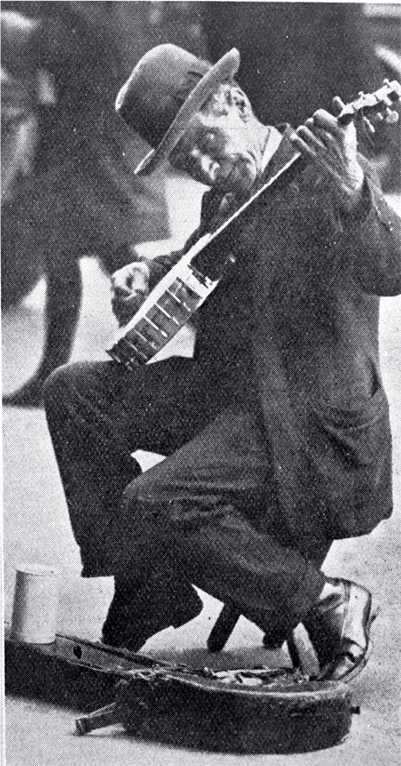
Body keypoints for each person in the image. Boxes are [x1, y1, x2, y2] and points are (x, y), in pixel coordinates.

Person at [44, 44, 401, 682]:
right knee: (74, 393)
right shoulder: (226, 196)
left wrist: (353, 189)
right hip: (237, 402)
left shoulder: (322, 169)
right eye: (187, 162)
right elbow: (206, 261)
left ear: (234, 102)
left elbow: (391, 267)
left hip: (310, 427)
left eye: (205, 146)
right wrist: (148, 275)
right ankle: (149, 585)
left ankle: (326, 602)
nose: (205, 168)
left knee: (154, 501)